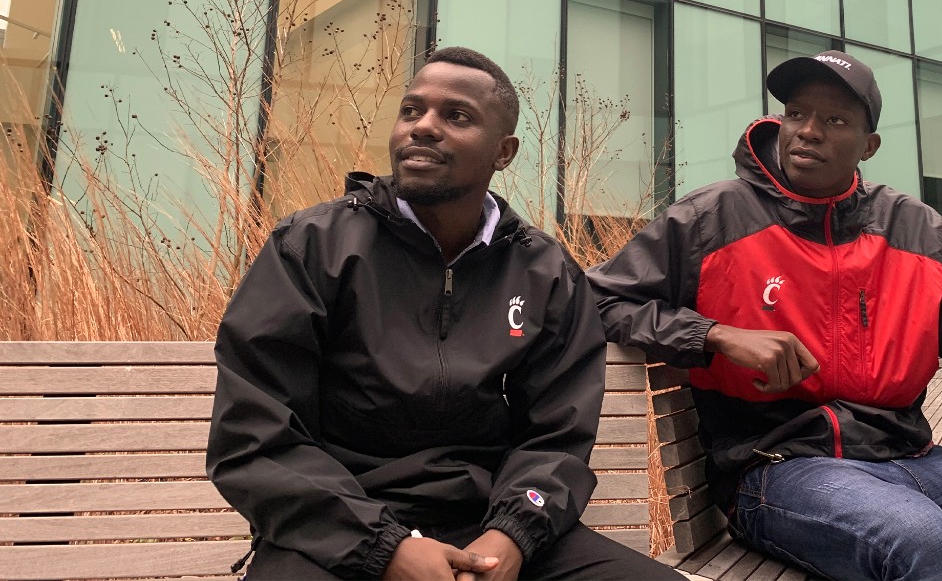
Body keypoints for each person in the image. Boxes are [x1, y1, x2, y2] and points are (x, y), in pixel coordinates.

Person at [589, 50, 942, 581]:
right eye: (796, 113)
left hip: (910, 457)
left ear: (868, 146)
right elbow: (598, 301)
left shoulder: (920, 232)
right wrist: (716, 335)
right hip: (778, 467)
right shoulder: (712, 218)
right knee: (918, 540)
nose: (808, 130)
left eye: (835, 120)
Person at [207, 46, 681, 580]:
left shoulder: (544, 272)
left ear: (503, 152)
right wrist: (385, 548)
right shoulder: (311, 246)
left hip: (488, 523)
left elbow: (556, 439)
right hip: (337, 528)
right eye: (412, 110)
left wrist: (512, 536)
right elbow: (255, 436)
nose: (423, 127)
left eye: (456, 116)